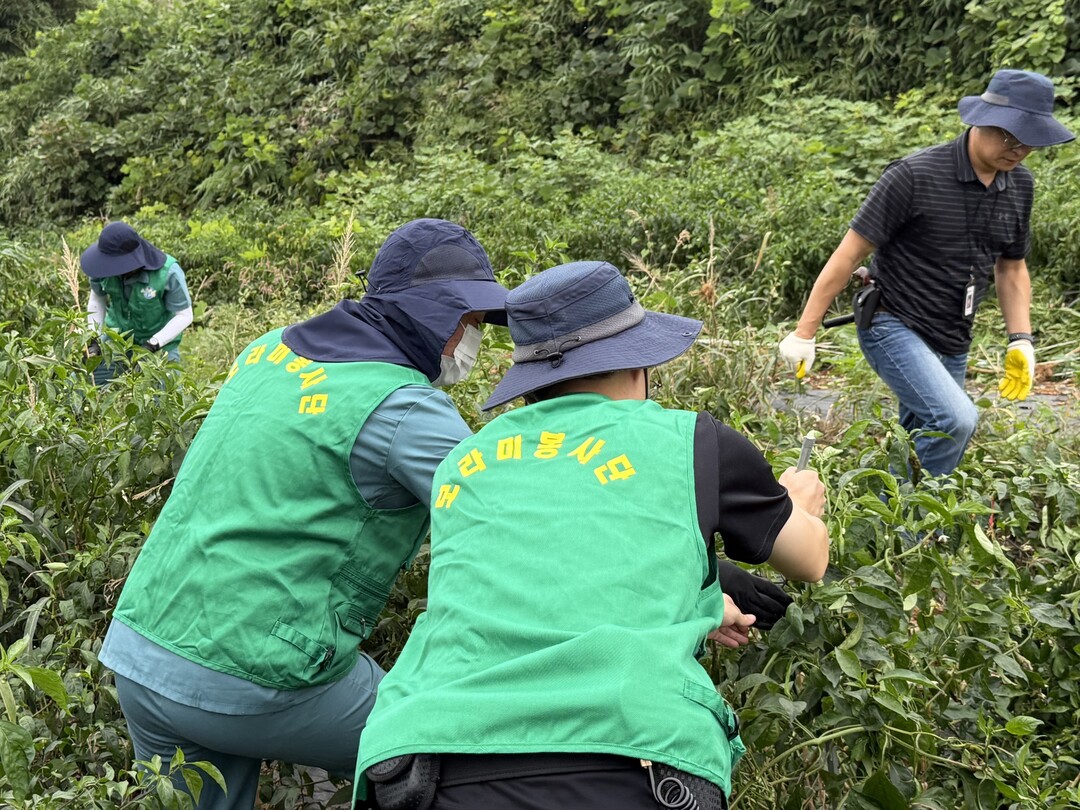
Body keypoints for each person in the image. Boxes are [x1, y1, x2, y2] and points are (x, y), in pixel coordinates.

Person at [356, 260, 830, 810]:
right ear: (637, 364)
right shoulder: (692, 442)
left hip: (426, 756)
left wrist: (701, 603)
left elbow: (542, 574)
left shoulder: (465, 460)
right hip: (628, 758)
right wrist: (799, 505)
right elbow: (809, 560)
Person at [98, 219, 512, 809]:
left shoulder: (266, 349)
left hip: (143, 650)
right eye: (471, 323)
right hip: (255, 676)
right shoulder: (405, 408)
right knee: (455, 754)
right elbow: (507, 520)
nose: (475, 342)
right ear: (435, 314)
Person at [779, 69, 1075, 478]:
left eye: (1030, 139)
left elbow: (1011, 266)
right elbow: (848, 255)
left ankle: (890, 524)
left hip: (954, 333)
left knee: (920, 435)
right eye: (1009, 135)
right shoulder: (914, 176)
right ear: (980, 119)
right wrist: (804, 332)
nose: (1019, 148)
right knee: (956, 420)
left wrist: (1020, 339)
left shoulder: (1019, 185)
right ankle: (917, 523)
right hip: (892, 321)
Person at [80, 221, 195, 386]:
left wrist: (154, 343)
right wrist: (93, 338)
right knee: (90, 384)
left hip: (160, 347)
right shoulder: (103, 268)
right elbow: (97, 299)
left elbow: (185, 315)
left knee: (163, 400)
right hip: (115, 340)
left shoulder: (168, 273)